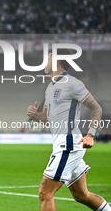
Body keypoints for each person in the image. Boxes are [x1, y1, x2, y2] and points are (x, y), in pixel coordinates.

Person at [26, 49, 111, 211]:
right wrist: (35, 115)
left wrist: (90, 134)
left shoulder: (73, 83)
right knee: (82, 195)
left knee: (45, 193)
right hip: (65, 146)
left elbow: (96, 108)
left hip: (68, 146)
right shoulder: (50, 88)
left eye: (47, 58)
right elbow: (47, 119)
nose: (44, 62)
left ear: (57, 60)